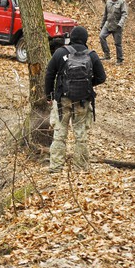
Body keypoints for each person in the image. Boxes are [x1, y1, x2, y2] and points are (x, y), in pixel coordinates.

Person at [44, 25, 106, 173]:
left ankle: (56, 168)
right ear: (85, 39)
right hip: (83, 101)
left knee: (59, 134)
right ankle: (80, 168)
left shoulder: (60, 53)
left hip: (62, 100)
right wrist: (89, 85)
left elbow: (49, 74)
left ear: (71, 38)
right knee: (80, 135)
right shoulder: (92, 55)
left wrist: (49, 95)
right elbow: (102, 77)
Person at [99, 0, 128, 65]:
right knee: (101, 36)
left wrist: (120, 24)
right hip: (108, 24)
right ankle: (107, 54)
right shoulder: (108, 1)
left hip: (117, 26)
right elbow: (105, 14)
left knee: (118, 44)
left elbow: (124, 14)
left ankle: (120, 60)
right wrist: (102, 24)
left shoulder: (122, 2)